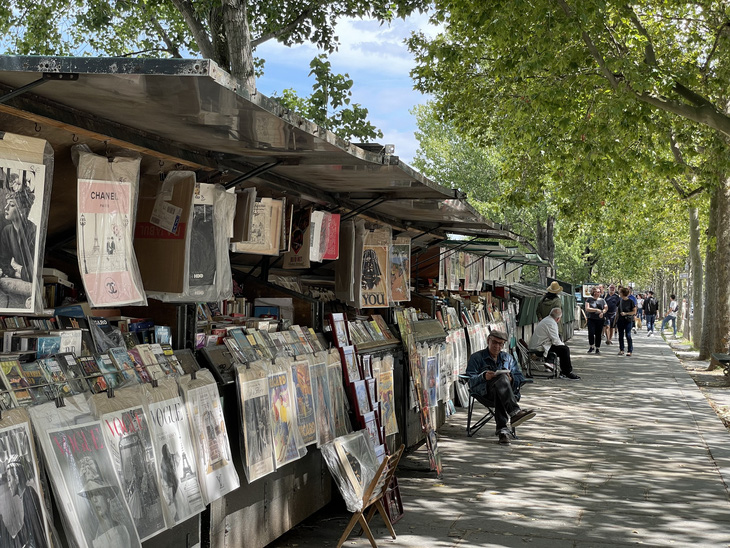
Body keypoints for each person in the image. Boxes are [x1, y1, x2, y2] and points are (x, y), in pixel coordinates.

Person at [466, 330, 536, 445]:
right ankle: (514, 413)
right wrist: (484, 376)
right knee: (501, 381)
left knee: (501, 385)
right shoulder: (476, 357)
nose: (497, 346)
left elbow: (520, 377)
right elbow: (470, 380)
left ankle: (503, 431)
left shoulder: (507, 358)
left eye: (501, 344)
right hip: (485, 393)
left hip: (503, 393)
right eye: (494, 342)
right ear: (488, 341)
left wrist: (512, 379)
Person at [0, 454, 48, 548]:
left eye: (9, 479)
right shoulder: (27, 494)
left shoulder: (29, 496)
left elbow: (35, 533)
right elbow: (27, 527)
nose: (9, 485)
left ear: (17, 479)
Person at [0, 185, 37, 308]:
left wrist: (17, 268)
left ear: (22, 210)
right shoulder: (7, 231)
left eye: (11, 205)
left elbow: (34, 272)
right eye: (7, 204)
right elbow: (4, 264)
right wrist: (18, 272)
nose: (6, 208)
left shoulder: (34, 232)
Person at [529, 307, 580, 380]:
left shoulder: (547, 320)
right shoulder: (551, 323)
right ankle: (566, 372)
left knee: (562, 349)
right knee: (564, 350)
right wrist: (563, 345)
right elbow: (556, 340)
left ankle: (556, 366)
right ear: (558, 318)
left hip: (541, 344)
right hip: (539, 347)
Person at [584, 287, 607, 354]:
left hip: (600, 319)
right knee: (591, 333)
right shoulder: (589, 299)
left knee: (598, 334)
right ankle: (591, 346)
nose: (598, 293)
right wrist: (596, 310)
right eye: (597, 291)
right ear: (593, 292)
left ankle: (597, 348)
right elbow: (587, 309)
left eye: (599, 291)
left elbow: (606, 307)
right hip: (591, 318)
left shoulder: (602, 300)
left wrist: (602, 312)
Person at [616, 287, 638, 356]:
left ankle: (630, 350)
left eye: (620, 292)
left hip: (628, 320)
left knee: (628, 335)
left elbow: (634, 311)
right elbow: (617, 311)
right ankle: (621, 349)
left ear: (623, 293)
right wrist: (615, 320)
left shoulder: (630, 301)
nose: (619, 293)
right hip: (620, 320)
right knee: (620, 335)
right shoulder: (620, 301)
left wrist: (626, 313)